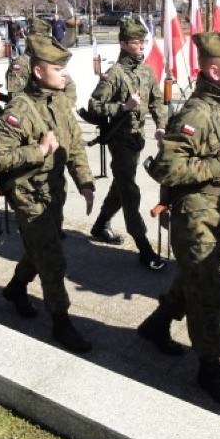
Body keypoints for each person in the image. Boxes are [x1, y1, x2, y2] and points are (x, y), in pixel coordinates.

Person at [137, 32, 220, 408]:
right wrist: (215, 165)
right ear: (213, 69)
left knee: (196, 279)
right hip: (195, 221)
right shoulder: (195, 114)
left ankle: (156, 325)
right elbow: (164, 168)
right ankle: (210, 368)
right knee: (207, 293)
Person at [0, 34, 95, 353]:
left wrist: (84, 182)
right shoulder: (19, 109)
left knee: (39, 249)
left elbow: (74, 144)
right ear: (37, 71)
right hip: (28, 194)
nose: (65, 74)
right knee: (51, 259)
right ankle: (61, 322)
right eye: (58, 69)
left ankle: (16, 288)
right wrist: (39, 150)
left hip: (53, 192)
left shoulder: (59, 102)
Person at [86, 17, 168, 270]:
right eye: (136, 42)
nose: (142, 46)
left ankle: (100, 226)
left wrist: (162, 126)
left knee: (121, 185)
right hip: (120, 140)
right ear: (123, 44)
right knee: (130, 191)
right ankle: (144, 247)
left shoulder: (146, 71)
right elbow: (94, 105)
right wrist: (123, 106)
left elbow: (156, 101)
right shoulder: (114, 74)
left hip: (137, 139)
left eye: (143, 42)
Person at [6, 17, 77, 106]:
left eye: (40, 36)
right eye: (34, 36)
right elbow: (15, 97)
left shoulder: (50, 59)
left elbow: (69, 85)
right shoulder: (21, 63)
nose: (36, 40)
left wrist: (63, 107)